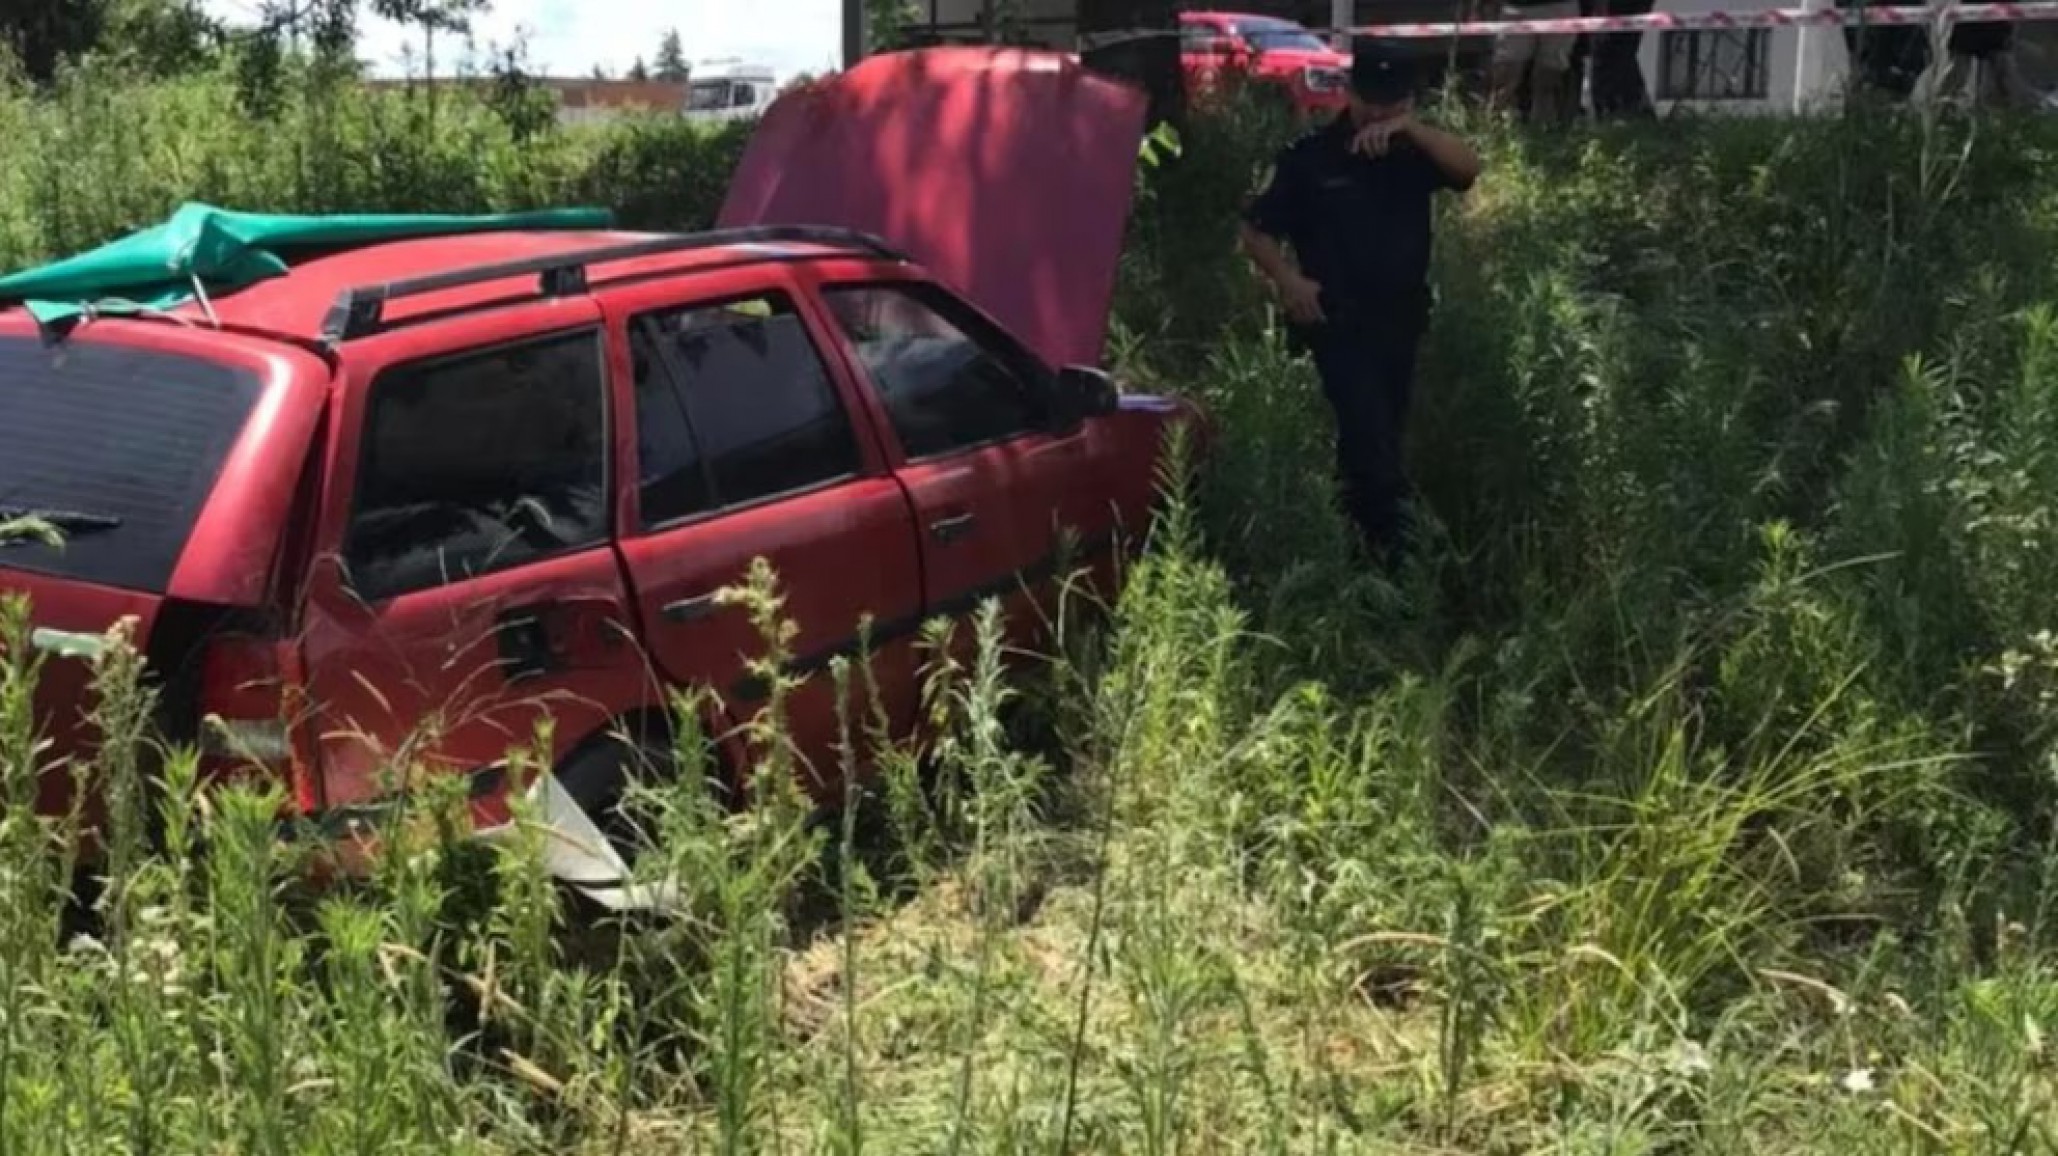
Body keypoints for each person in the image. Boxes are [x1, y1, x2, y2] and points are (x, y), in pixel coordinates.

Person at [1237, 38, 1484, 569]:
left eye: (1392, 104)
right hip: (1336, 322)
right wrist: (1289, 280)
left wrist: (1411, 131)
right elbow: (1255, 232)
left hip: (1400, 320)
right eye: (1371, 100)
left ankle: (1356, 549)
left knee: (1378, 436)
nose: (1379, 112)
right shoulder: (1309, 159)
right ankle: (1407, 559)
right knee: (1369, 433)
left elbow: (1469, 170)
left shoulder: (1415, 153)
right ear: (1350, 93)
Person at [1492, 0, 1582, 123]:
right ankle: (1497, 127)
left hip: (1560, 8)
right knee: (1506, 74)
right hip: (1515, 8)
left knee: (1549, 76)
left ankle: (1545, 128)